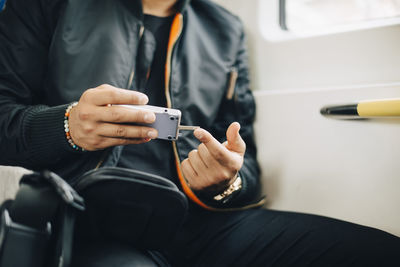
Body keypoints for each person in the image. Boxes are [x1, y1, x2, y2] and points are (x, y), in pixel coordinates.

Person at [0, 0, 399, 266]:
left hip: (201, 222)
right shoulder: (46, 4)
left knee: (378, 252)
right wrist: (67, 125)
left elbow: (248, 167)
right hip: (88, 219)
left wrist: (225, 182)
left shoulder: (224, 29)